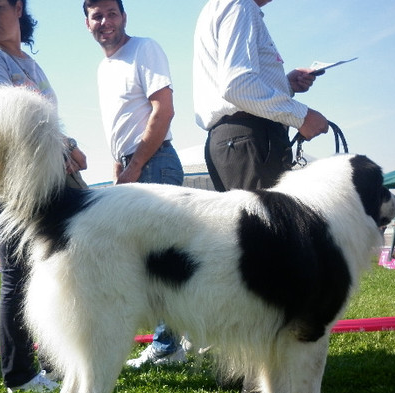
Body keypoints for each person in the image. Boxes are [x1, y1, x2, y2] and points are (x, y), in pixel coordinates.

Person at [0, 0, 88, 393]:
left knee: (53, 271)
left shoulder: (30, 64)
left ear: (19, 8)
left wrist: (68, 146)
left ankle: (53, 363)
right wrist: (65, 146)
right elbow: (4, 116)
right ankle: (18, 374)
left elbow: (47, 123)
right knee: (18, 277)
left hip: (48, 180)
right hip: (15, 183)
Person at [83, 0, 187, 368]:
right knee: (148, 262)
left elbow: (164, 109)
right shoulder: (103, 67)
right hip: (131, 167)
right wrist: (119, 169)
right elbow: (120, 125)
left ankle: (168, 345)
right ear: (87, 23)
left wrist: (137, 164)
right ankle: (172, 341)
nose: (105, 21)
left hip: (154, 164)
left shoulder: (145, 49)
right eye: (97, 15)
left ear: (124, 18)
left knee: (158, 262)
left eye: (112, 13)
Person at [193, 0, 330, 192]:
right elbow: (237, 85)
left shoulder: (226, 6)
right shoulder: (241, 5)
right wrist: (302, 116)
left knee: (252, 221)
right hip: (251, 137)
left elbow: (234, 84)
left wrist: (285, 85)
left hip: (237, 139)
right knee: (267, 222)